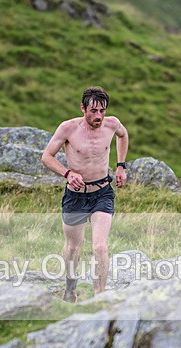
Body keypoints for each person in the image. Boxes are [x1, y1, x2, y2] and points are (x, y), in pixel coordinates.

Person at [41, 86, 129, 303]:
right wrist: (68, 174)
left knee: (100, 246)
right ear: (83, 108)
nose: (98, 116)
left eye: (102, 111)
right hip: (76, 196)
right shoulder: (68, 129)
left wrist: (120, 166)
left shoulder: (111, 124)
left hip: (102, 193)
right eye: (93, 111)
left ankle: (99, 298)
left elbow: (123, 135)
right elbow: (47, 157)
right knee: (73, 247)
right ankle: (70, 288)